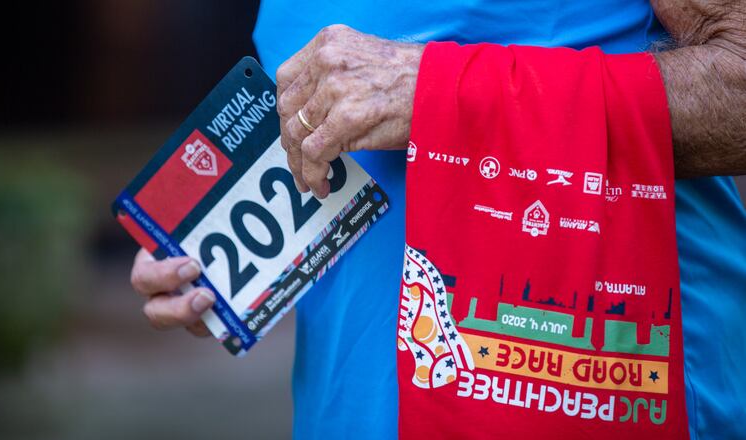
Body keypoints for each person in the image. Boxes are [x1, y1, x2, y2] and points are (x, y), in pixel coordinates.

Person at [129, 0, 746, 438]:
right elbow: (325, 106)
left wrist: (437, 92)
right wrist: (217, 241)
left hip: (596, 387)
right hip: (346, 401)